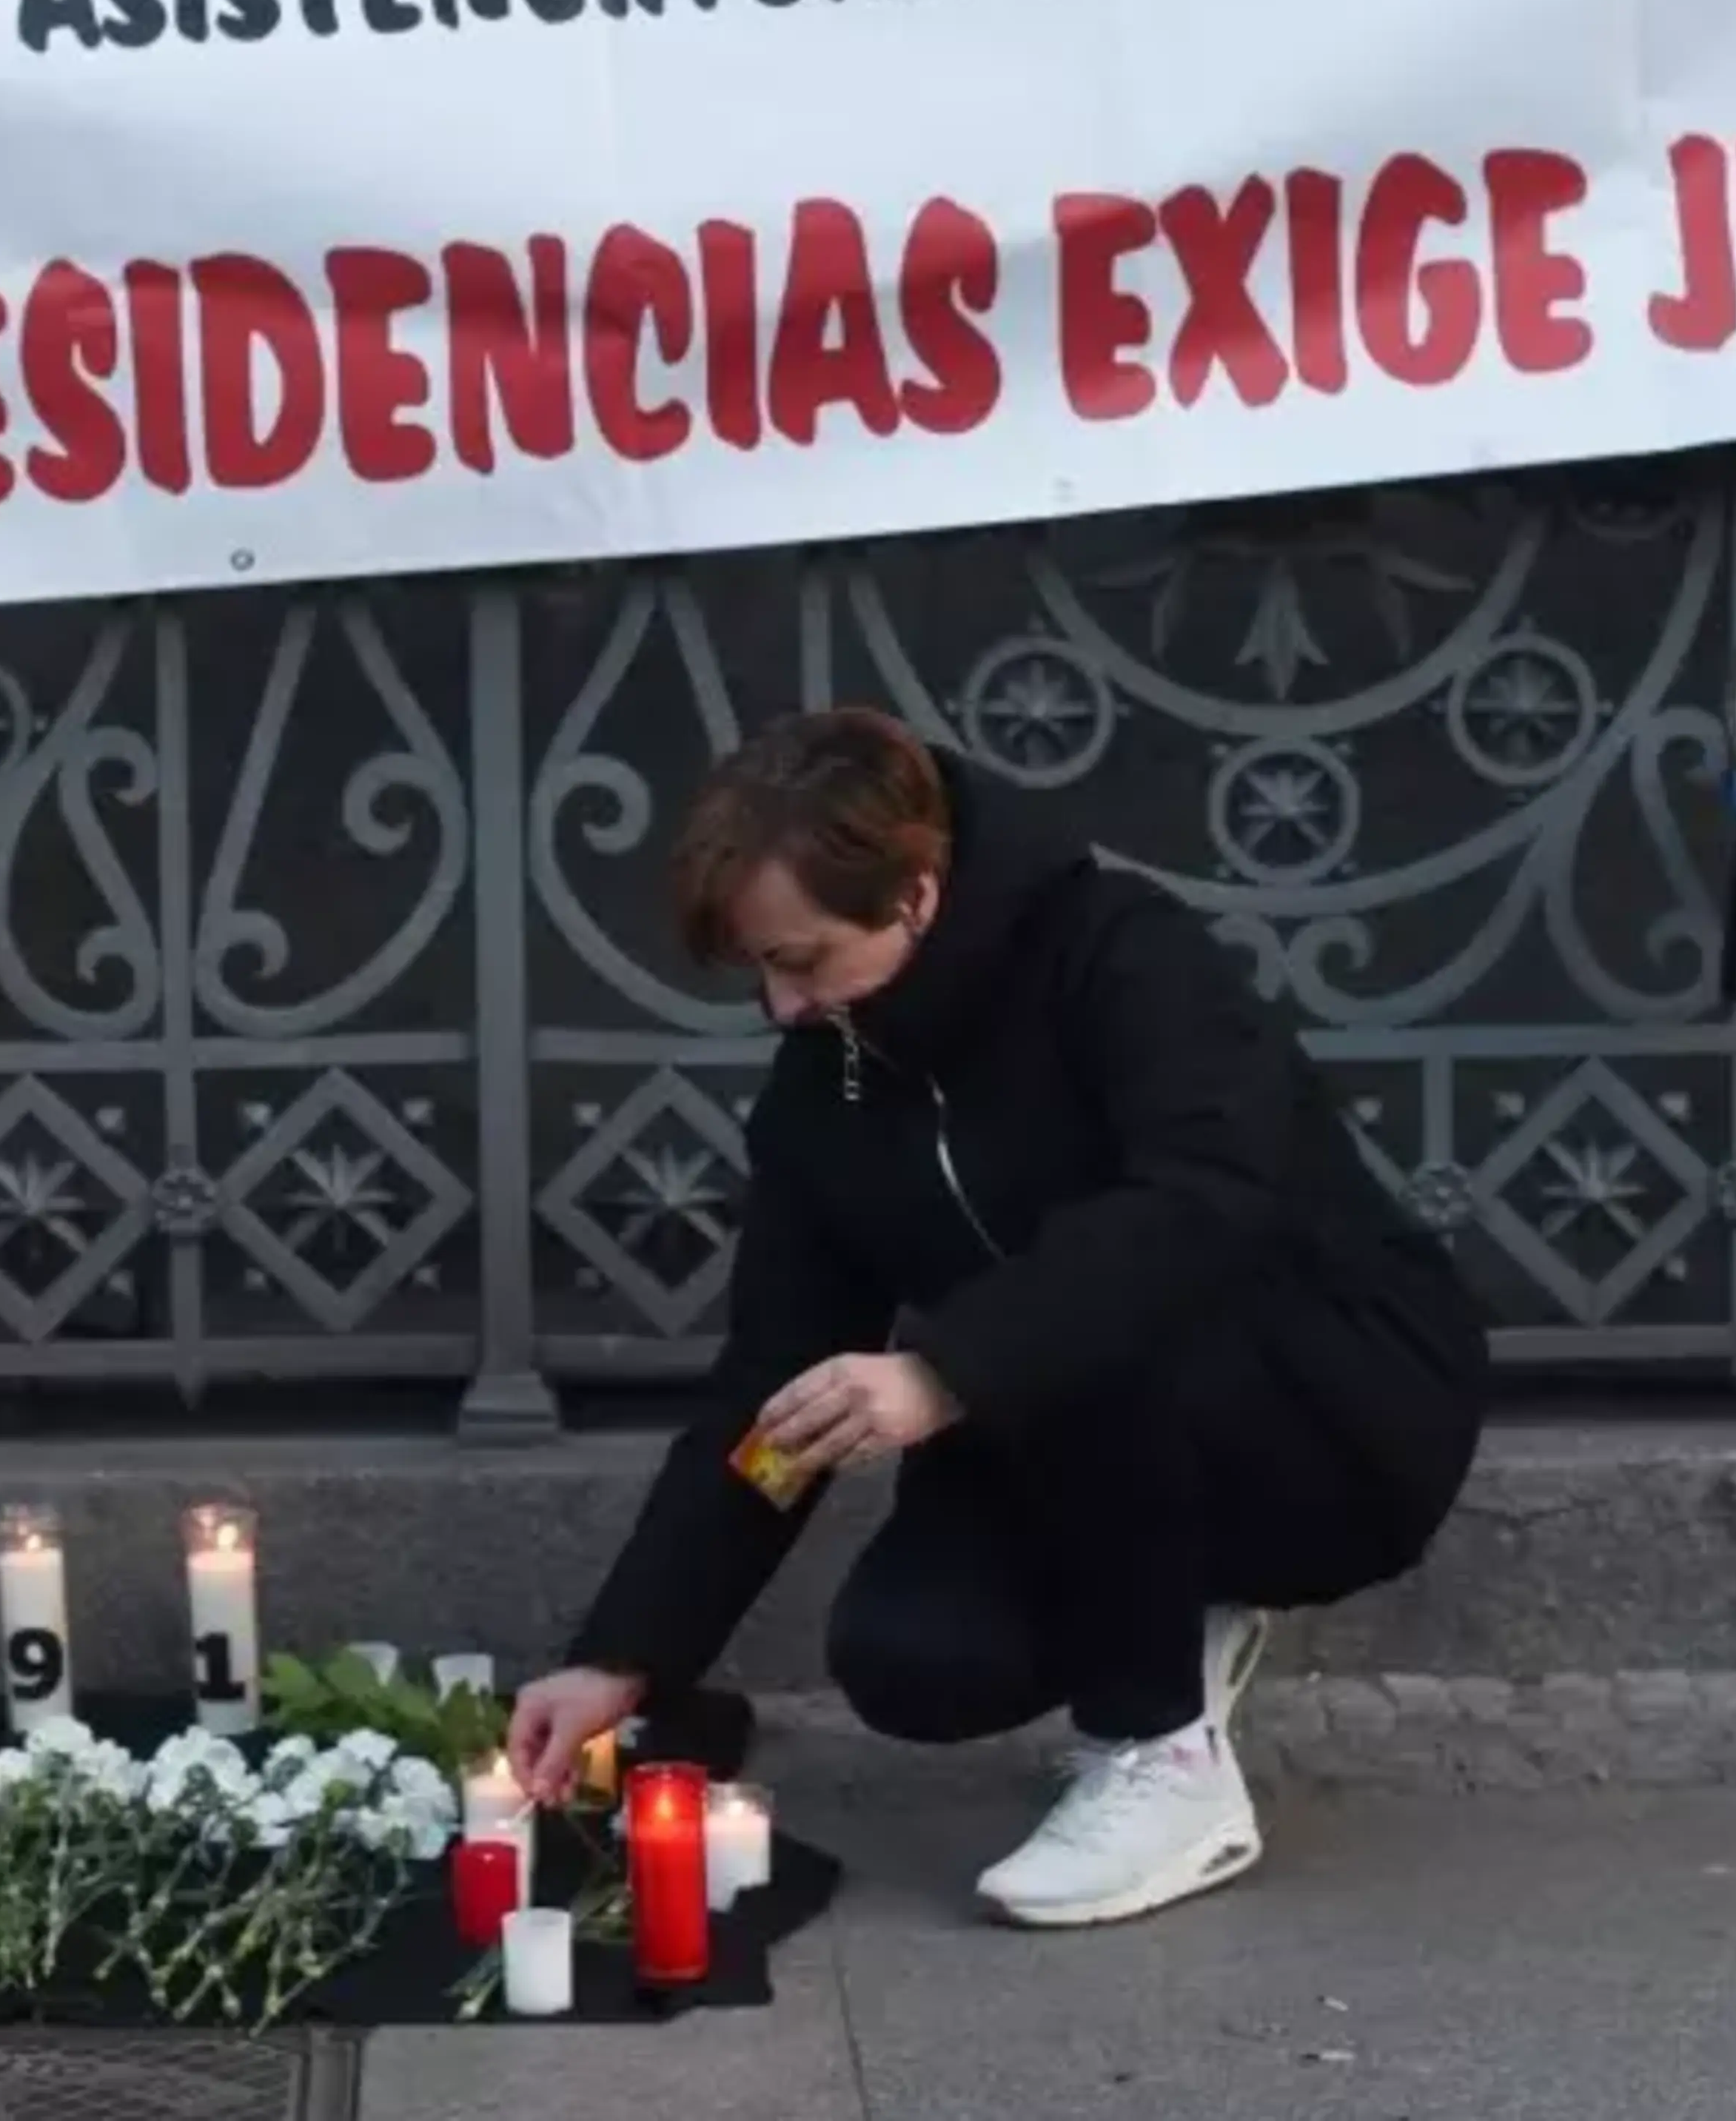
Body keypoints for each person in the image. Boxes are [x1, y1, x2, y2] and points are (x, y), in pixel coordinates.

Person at [506, 705, 1489, 1928]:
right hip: (1079, 1434)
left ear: (914, 896)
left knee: (1104, 1288)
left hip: (1337, 1404)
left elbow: (1205, 1199)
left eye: (799, 960)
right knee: (916, 1659)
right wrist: (625, 1654)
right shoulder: (828, 1086)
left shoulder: (1120, 953)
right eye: (758, 970)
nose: (779, 1007)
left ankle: (1164, 1760)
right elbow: (769, 1386)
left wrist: (944, 1372)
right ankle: (1183, 1609)